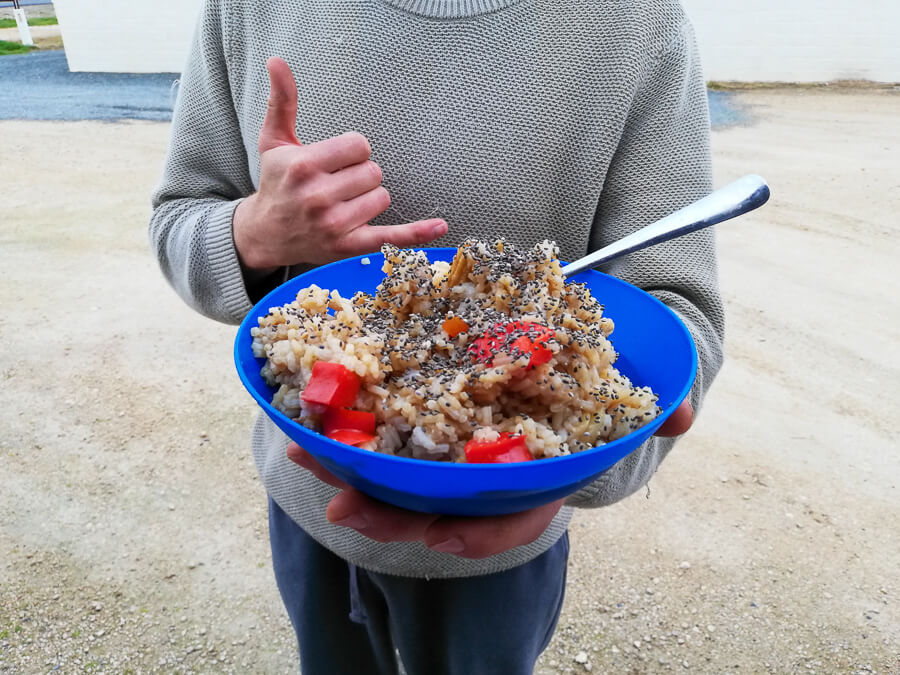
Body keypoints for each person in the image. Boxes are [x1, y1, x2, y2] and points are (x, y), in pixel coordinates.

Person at [149, 0, 724, 672]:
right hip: (312, 501)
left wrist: (590, 452)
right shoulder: (246, 8)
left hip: (510, 533)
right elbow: (179, 218)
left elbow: (677, 305)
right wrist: (249, 234)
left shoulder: (639, 22)